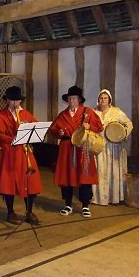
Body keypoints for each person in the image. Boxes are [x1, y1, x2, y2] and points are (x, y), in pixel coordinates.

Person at [0, 86, 43, 225]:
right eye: (12, 100)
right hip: (9, 151)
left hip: (24, 151)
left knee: (31, 182)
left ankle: (29, 211)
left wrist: (28, 133)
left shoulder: (26, 114)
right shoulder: (1, 116)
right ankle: (10, 212)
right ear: (7, 100)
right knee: (8, 183)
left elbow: (36, 127)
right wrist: (12, 138)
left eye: (18, 100)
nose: (15, 103)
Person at [49, 85, 103, 218]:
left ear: (79, 100)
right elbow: (53, 130)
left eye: (74, 98)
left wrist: (90, 126)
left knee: (84, 175)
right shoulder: (62, 114)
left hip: (83, 147)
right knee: (66, 176)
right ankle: (68, 204)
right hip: (66, 148)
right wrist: (59, 133)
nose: (71, 101)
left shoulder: (88, 112)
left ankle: (85, 205)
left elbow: (99, 126)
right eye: (69, 98)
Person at [92, 89, 133, 205]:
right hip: (98, 145)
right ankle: (99, 197)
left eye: (105, 98)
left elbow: (128, 124)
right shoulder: (94, 112)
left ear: (109, 100)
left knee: (112, 170)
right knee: (100, 170)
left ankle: (113, 197)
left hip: (113, 146)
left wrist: (123, 135)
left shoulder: (116, 112)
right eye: (101, 98)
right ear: (98, 100)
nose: (103, 99)